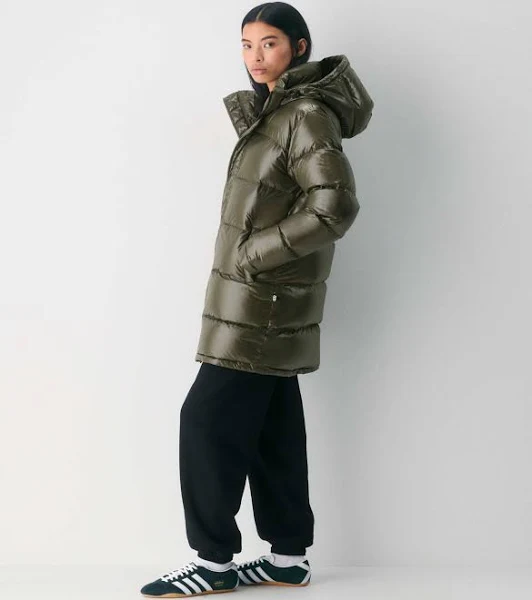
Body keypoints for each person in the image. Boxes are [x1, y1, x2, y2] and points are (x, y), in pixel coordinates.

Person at [140, 2, 373, 597]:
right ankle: (287, 558)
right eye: (246, 45)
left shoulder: (305, 115)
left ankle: (213, 563)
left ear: (299, 47)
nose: (255, 57)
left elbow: (334, 205)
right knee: (273, 430)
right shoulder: (277, 113)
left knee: (205, 421)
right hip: (260, 298)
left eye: (269, 43)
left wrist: (252, 256)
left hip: (261, 302)